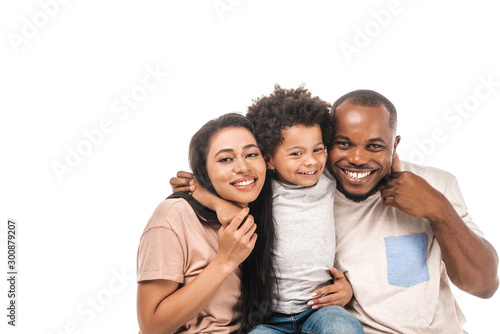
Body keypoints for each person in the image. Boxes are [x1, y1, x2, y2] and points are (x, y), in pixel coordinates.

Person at [173, 86, 364, 334]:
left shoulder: (328, 178)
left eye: (318, 149)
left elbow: (361, 165)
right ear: (269, 160)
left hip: (319, 309)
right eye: (296, 153)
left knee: (344, 328)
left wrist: (347, 289)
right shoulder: (259, 190)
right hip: (269, 318)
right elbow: (222, 193)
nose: (311, 161)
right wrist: (199, 190)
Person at [328, 89, 499, 333]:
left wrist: (437, 209)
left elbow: (483, 286)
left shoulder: (436, 185)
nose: (357, 158)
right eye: (343, 144)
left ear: (394, 145)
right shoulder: (311, 197)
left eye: (374, 146)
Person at [136, 113, 270, 334]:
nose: (243, 167)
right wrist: (225, 261)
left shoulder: (261, 210)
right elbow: (151, 327)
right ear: (203, 172)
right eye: (226, 159)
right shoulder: (172, 217)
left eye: (251, 154)